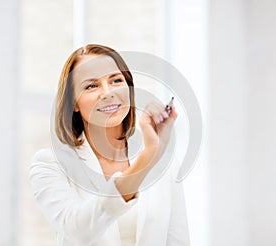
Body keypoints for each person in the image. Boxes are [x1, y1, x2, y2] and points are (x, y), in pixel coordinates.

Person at [30, 44, 190, 246]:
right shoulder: (50, 164)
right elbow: (76, 230)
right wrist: (147, 158)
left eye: (116, 80)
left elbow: (177, 239)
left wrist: (152, 154)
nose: (107, 93)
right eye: (91, 86)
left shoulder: (163, 161)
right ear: (74, 103)